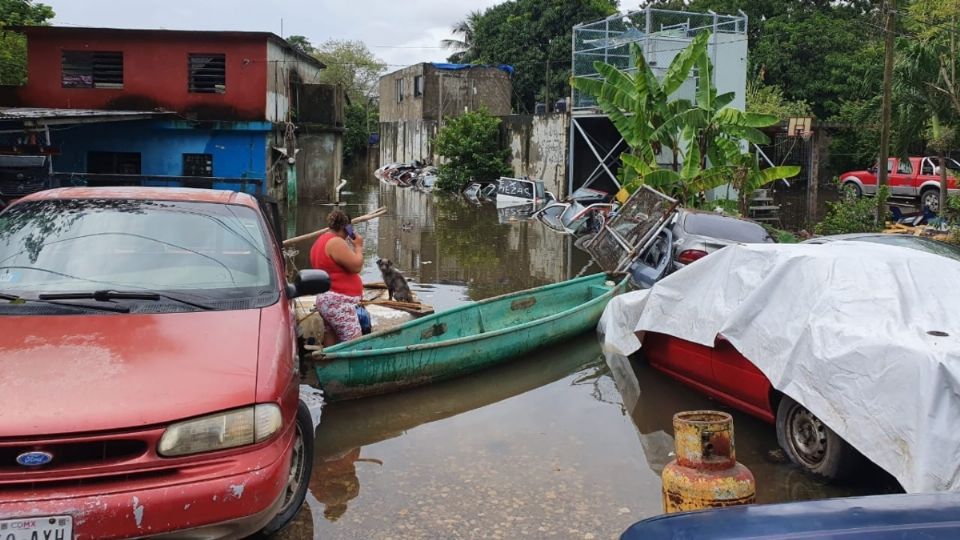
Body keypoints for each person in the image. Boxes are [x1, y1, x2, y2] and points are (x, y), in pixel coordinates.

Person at [310, 209, 364, 346]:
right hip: (338, 302)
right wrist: (358, 246)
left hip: (327, 300)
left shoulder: (320, 241)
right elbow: (356, 266)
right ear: (345, 227)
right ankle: (352, 366)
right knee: (354, 342)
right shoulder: (335, 243)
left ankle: (330, 365)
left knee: (331, 337)